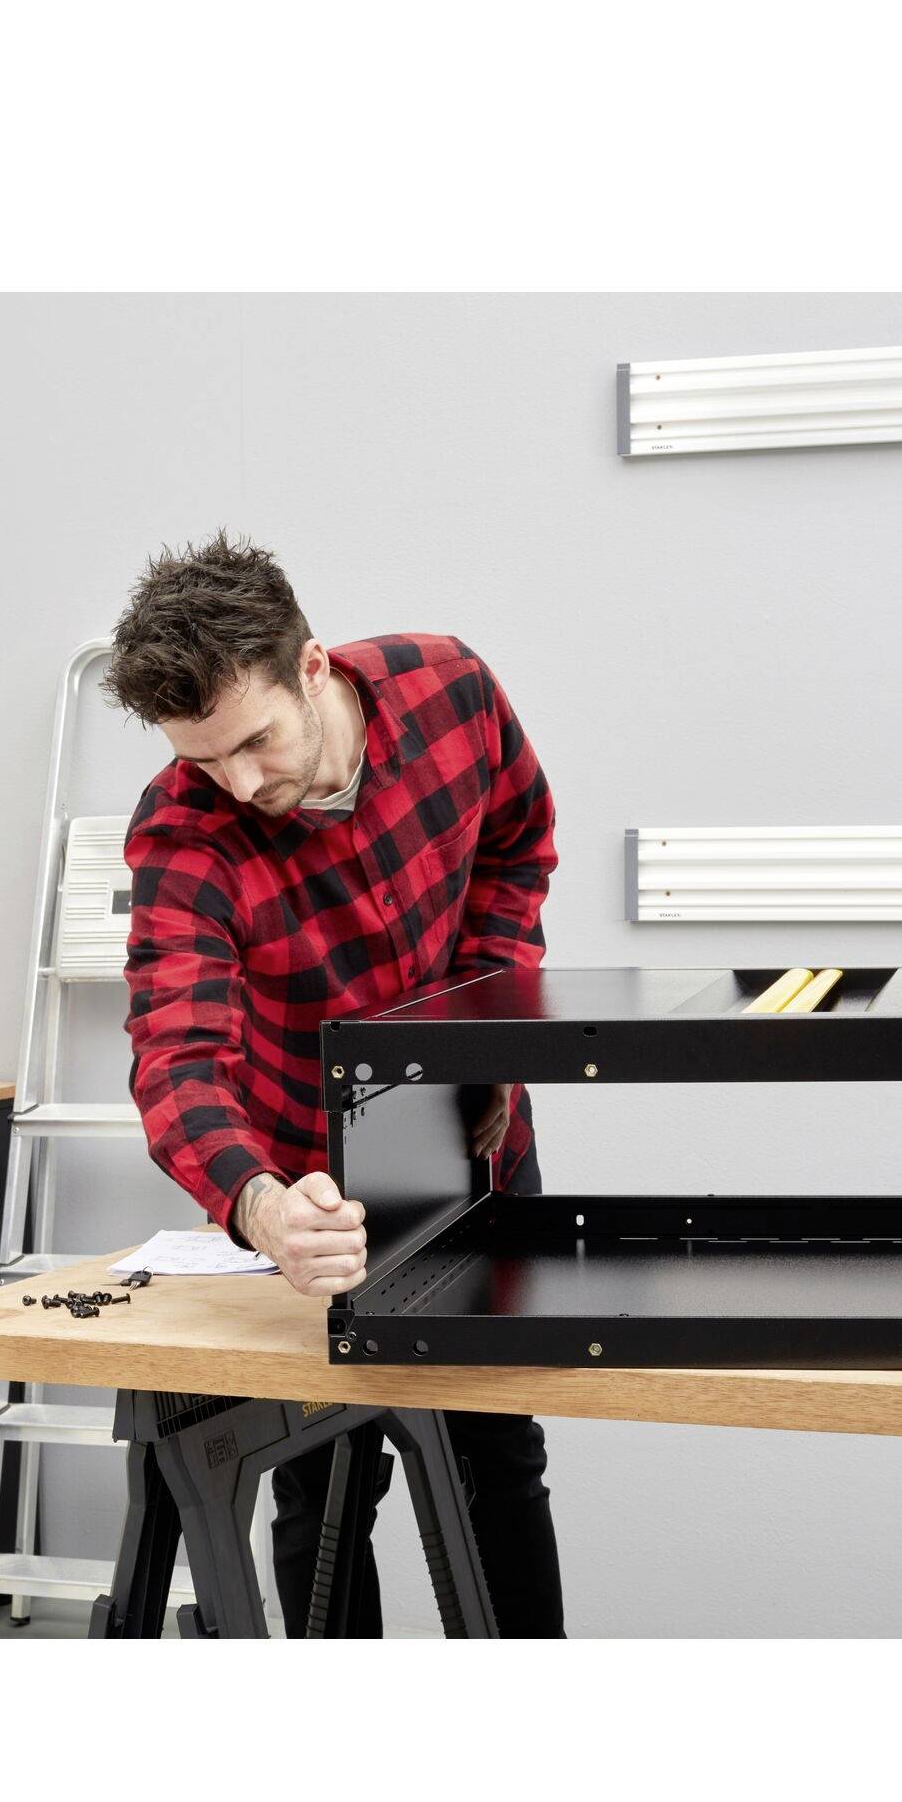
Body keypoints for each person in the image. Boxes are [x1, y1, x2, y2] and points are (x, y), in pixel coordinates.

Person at [104, 529, 565, 1636]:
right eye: (205, 760)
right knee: (322, 1487)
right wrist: (263, 1208)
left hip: (475, 1145)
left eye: (254, 741)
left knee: (497, 1452)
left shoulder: (451, 689)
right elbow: (175, 1058)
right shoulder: (183, 830)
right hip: (311, 1190)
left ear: (312, 666)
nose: (240, 783)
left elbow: (517, 846)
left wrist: (486, 1034)